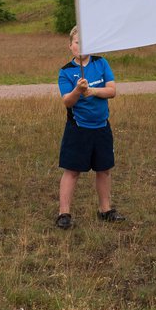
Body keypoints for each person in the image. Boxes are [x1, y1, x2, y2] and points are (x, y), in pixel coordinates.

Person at [55, 26, 125, 229]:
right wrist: (78, 90)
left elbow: (112, 91)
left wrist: (92, 91)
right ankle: (64, 213)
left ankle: (105, 210)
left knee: (104, 169)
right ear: (71, 46)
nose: (81, 46)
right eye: (77, 42)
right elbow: (67, 101)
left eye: (85, 42)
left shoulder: (101, 63)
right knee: (72, 171)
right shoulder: (66, 71)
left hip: (101, 126)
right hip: (78, 128)